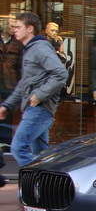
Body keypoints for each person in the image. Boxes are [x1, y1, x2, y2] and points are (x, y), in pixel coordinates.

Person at [0, 12, 68, 166]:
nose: (15, 30)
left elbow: (60, 73)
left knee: (18, 148)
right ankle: (48, 186)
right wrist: (7, 106)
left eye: (18, 27)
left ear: (30, 28)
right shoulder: (31, 49)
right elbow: (24, 83)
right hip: (37, 109)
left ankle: (38, 183)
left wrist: (39, 95)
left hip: (39, 109)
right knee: (41, 155)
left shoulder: (40, 48)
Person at [0, 16, 24, 90]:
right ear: (4, 26)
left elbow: (20, 65)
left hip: (11, 82)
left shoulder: (18, 43)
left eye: (16, 27)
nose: (14, 29)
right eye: (12, 26)